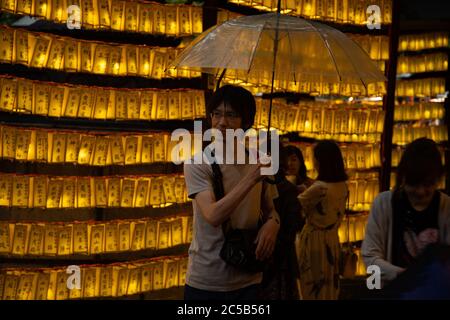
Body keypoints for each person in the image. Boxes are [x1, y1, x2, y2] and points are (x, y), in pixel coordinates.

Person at [183, 85, 280, 300]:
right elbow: (213, 215)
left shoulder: (258, 160)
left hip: (250, 277)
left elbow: (271, 209)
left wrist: (273, 223)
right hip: (208, 281)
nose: (221, 122)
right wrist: (251, 178)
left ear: (246, 122)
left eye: (230, 115)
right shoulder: (199, 163)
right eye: (216, 114)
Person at [362, 138, 450, 287]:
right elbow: (370, 259)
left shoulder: (446, 206)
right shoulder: (383, 204)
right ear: (402, 177)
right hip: (392, 293)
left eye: (428, 184)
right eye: (414, 184)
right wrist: (405, 276)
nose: (421, 192)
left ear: (438, 179)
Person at [296, 140, 348, 300]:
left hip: (315, 240)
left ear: (320, 161)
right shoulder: (342, 185)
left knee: (312, 285)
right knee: (329, 284)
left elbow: (296, 205)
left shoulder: (320, 187)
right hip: (332, 239)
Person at [258, 145, 303, 300]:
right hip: (277, 256)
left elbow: (291, 227)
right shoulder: (283, 188)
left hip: (270, 256)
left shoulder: (280, 188)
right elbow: (294, 226)